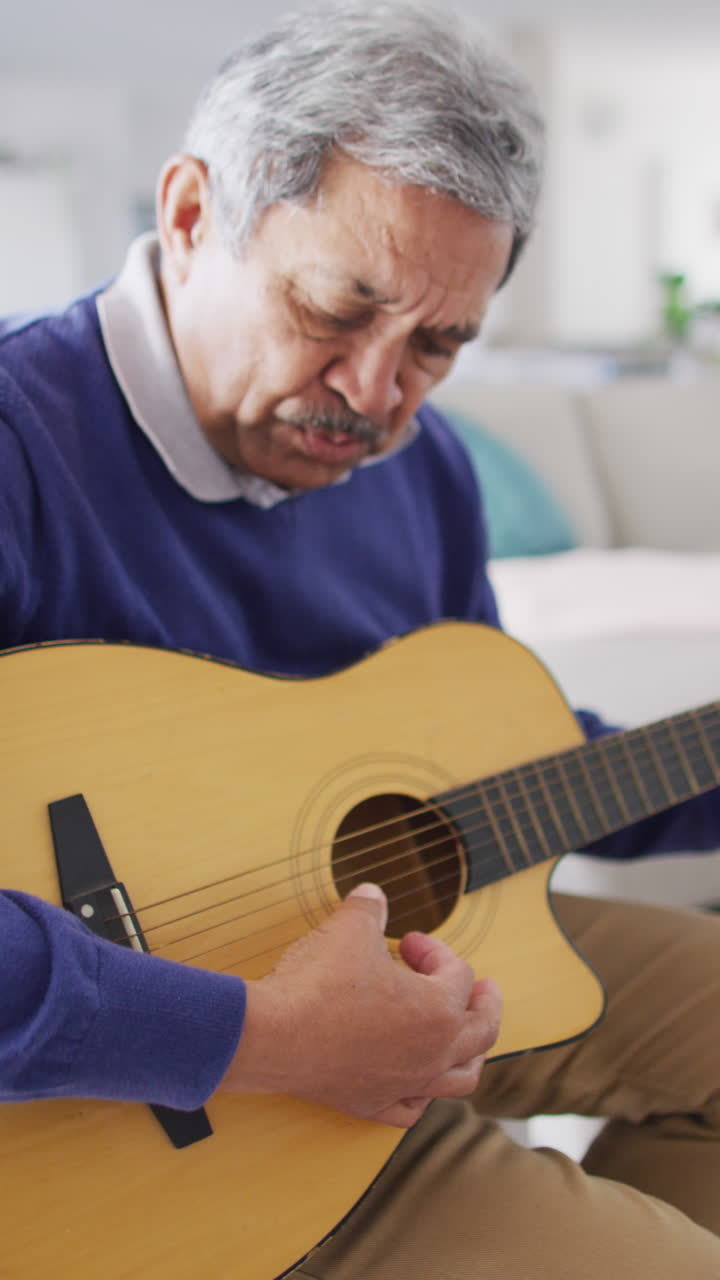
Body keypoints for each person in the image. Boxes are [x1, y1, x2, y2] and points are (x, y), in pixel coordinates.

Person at [1, 2, 719, 1275]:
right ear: (186, 214)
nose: (379, 395)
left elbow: (495, 760)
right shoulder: (18, 445)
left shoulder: (420, 468)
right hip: (127, 1110)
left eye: (439, 344)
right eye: (339, 308)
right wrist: (263, 1036)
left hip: (400, 1015)